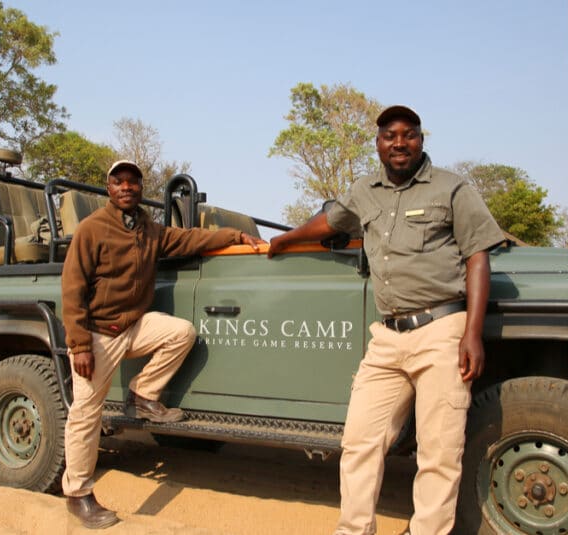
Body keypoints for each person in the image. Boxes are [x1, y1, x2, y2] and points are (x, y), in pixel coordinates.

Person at [267, 106, 504, 534]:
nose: (399, 143)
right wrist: (285, 238)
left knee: (438, 451)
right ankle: (354, 529)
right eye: (390, 135)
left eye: (408, 135)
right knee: (359, 441)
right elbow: (330, 221)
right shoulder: (365, 190)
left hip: (443, 330)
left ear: (421, 140)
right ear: (378, 143)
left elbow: (478, 256)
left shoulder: (451, 188)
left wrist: (472, 332)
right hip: (388, 336)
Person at [61, 160, 263, 529]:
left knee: (181, 333)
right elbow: (72, 290)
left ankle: (142, 394)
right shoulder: (91, 229)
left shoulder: (149, 230)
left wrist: (235, 237)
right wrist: (79, 346)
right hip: (98, 334)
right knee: (85, 414)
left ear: (140, 188)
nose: (126, 187)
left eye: (133, 182)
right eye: (118, 182)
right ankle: (77, 494)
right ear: (109, 188)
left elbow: (190, 240)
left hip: (133, 326)